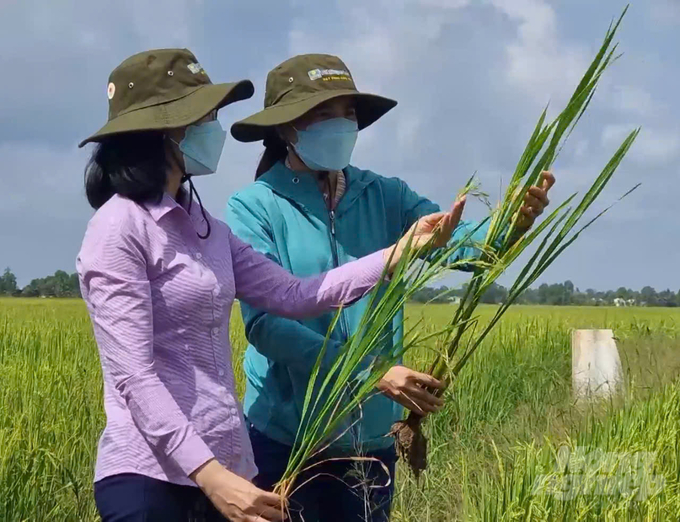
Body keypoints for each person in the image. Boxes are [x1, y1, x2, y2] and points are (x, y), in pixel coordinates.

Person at [76, 49, 462, 522]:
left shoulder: (206, 228)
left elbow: (295, 295)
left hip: (225, 469)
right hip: (154, 478)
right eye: (206, 115)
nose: (214, 127)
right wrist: (211, 477)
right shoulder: (119, 228)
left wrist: (399, 252)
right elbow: (135, 377)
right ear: (165, 129)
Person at [226, 53, 555, 522]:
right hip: (285, 435)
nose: (340, 125)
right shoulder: (255, 206)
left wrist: (510, 223)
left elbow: (457, 243)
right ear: (287, 128)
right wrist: (370, 373)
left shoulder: (385, 195)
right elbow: (267, 327)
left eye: (348, 114)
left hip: (369, 437)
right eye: (324, 114)